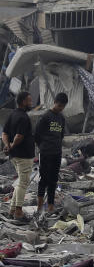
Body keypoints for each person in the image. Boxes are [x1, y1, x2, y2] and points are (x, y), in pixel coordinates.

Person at [2, 91, 34, 221]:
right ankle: (19, 212)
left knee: (20, 182)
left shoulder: (12, 115)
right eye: (29, 100)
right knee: (23, 183)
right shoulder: (23, 117)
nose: (31, 103)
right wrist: (12, 146)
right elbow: (19, 136)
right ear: (23, 102)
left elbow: (4, 133)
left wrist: (8, 146)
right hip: (24, 155)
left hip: (15, 156)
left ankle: (12, 210)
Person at [35, 92, 68, 214]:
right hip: (45, 153)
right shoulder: (45, 116)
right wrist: (43, 147)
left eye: (62, 106)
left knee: (53, 180)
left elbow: (61, 135)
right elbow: (37, 135)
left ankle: (50, 206)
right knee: (44, 179)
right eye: (59, 105)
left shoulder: (61, 118)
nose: (60, 108)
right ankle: (39, 206)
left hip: (57, 153)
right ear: (55, 102)